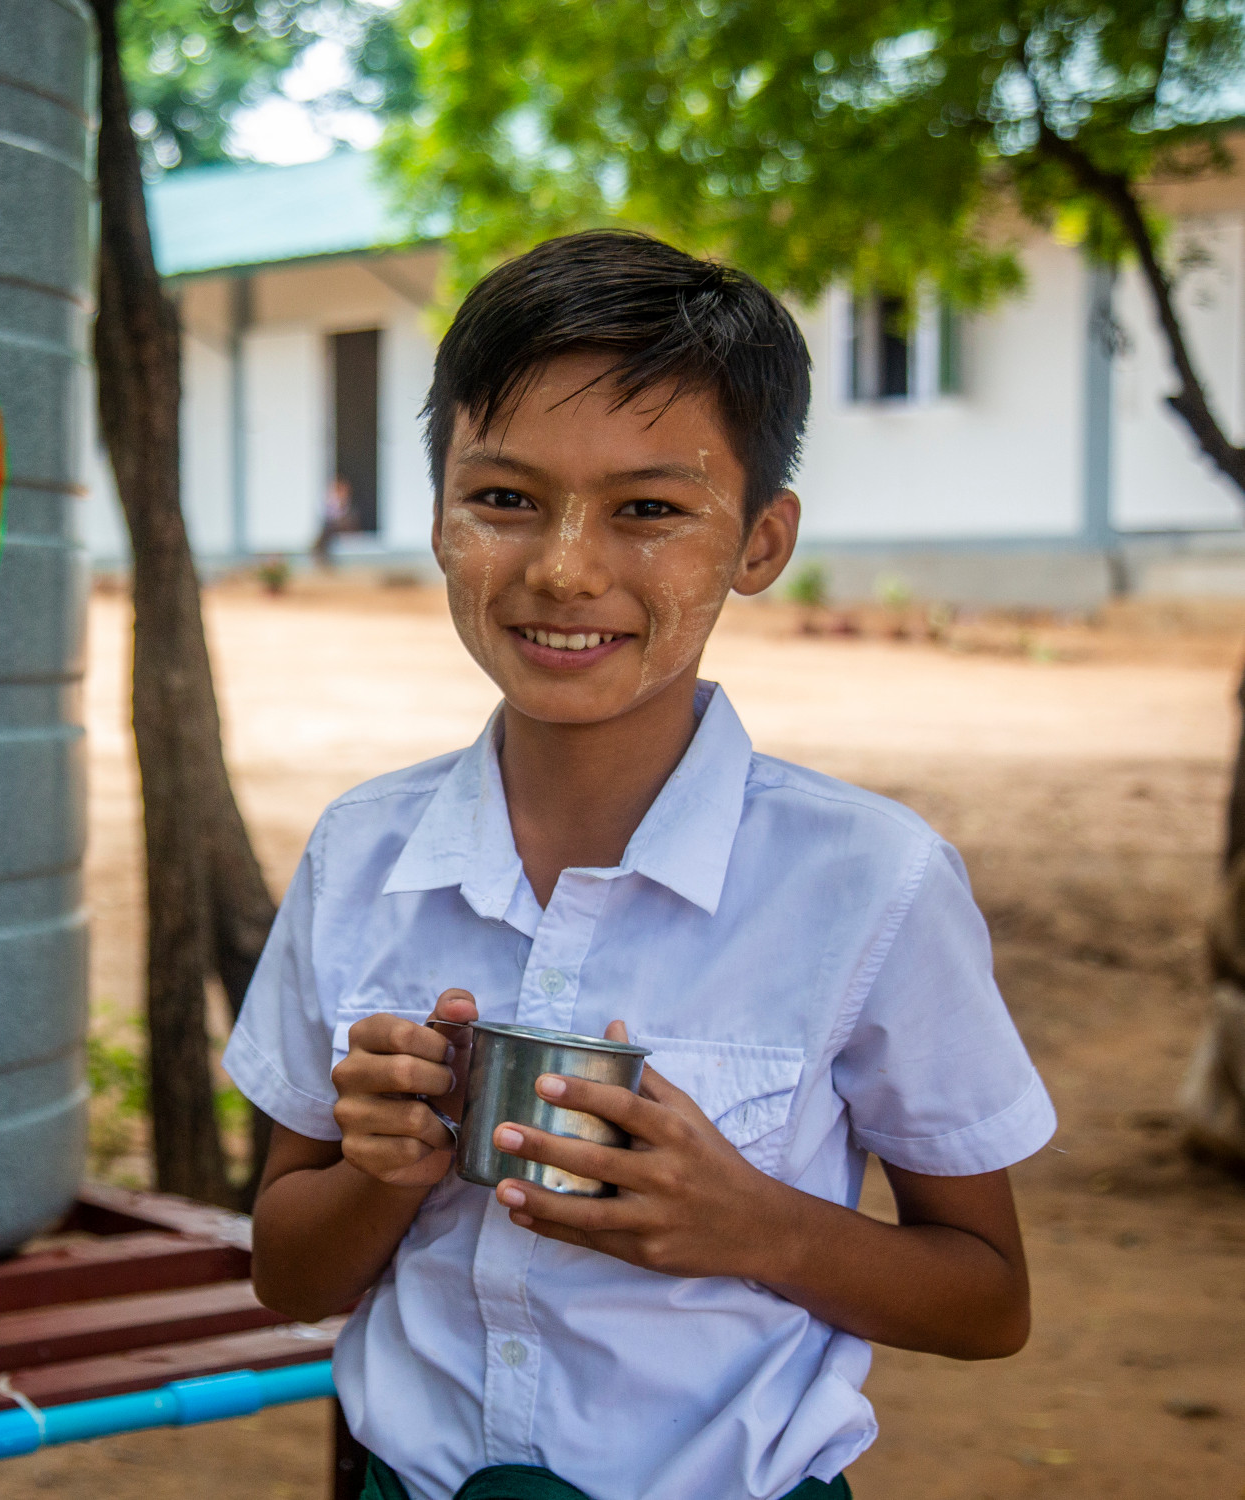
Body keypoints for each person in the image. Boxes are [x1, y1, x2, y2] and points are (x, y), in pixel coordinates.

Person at [222, 230, 1054, 1500]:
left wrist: (754, 1227)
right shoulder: (361, 856)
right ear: (440, 516)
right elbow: (289, 1275)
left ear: (760, 542)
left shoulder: (870, 883)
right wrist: (385, 1173)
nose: (565, 569)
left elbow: (988, 1300)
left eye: (650, 510)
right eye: (505, 499)